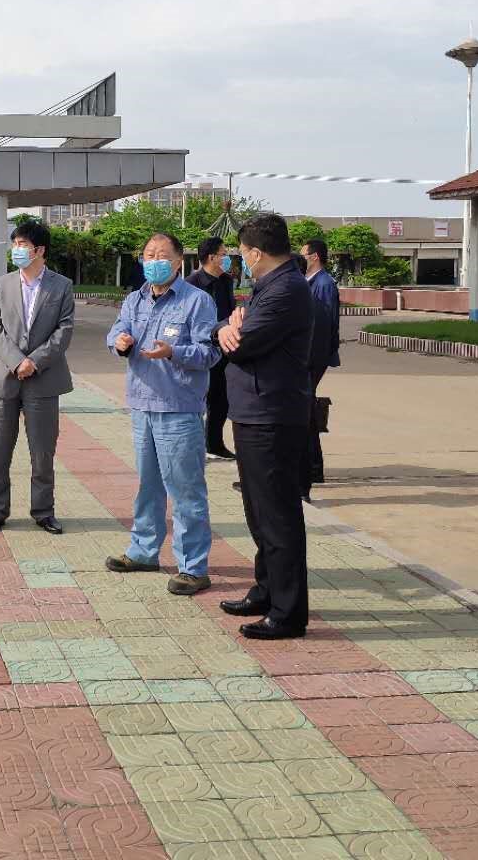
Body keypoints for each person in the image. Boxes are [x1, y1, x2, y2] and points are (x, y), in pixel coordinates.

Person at [106, 232, 220, 595]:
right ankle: (143, 551)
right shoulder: (134, 299)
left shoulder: (196, 301)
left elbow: (209, 353)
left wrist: (174, 352)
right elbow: (116, 332)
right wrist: (119, 343)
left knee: (186, 490)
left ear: (178, 261)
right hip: (142, 406)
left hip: (178, 409)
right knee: (148, 486)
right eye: (149, 255)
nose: (154, 261)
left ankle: (193, 567)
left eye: (162, 255)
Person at [217, 213, 313, 640]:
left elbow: (244, 343)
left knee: (277, 515)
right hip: (255, 410)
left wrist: (231, 331)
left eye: (241, 254)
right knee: (258, 510)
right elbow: (232, 328)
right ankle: (266, 590)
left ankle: (287, 613)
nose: (240, 261)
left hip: (272, 414)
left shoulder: (286, 289)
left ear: (256, 253)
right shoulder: (269, 285)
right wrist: (227, 327)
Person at [0, 222, 74, 536]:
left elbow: (64, 330)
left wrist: (35, 361)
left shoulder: (62, 286)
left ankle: (43, 511)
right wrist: (18, 361)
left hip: (44, 379)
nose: (16, 250)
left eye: (22, 244)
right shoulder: (1, 284)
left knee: (43, 452)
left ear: (40, 250)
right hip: (4, 377)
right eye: (15, 244)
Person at [187, 236, 237, 460]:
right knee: (198, 399)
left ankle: (214, 444)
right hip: (199, 348)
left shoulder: (226, 281)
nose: (227, 259)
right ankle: (194, 445)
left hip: (223, 348)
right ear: (211, 257)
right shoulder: (191, 283)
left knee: (221, 399)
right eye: (224, 254)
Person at [300, 237, 342, 496]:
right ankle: (314, 467)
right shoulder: (309, 282)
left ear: (314, 256)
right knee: (306, 412)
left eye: (304, 254)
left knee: (305, 412)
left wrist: (311, 359)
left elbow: (324, 326)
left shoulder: (324, 284)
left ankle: (313, 468)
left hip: (312, 357)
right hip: (308, 357)